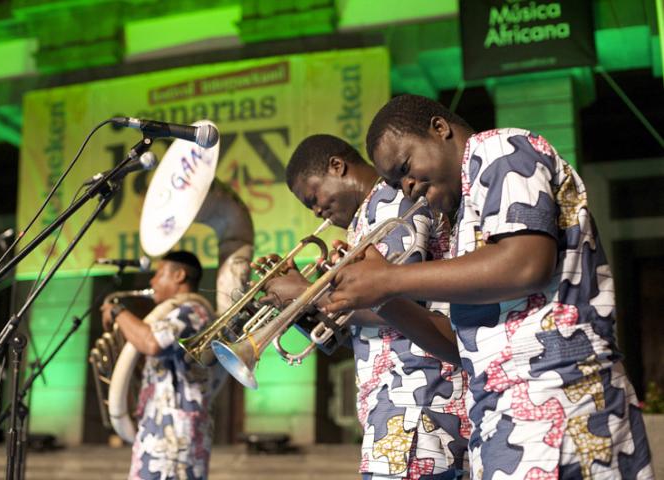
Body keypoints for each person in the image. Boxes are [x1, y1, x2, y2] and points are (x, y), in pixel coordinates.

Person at [324, 94, 654, 479]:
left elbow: (526, 262)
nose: (408, 187)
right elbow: (455, 346)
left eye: (406, 167)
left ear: (439, 128)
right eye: (398, 182)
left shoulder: (500, 148)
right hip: (503, 427)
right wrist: (383, 298)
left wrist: (391, 279)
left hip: (562, 404)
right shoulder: (465, 223)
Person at [262, 134, 470, 479]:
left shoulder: (389, 202)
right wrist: (300, 306)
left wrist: (306, 294)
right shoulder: (366, 222)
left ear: (337, 166)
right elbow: (366, 322)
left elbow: (400, 298)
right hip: (400, 408)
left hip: (417, 406)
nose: (316, 210)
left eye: (314, 197)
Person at [101, 250, 220, 480]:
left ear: (179, 276)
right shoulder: (178, 313)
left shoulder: (193, 311)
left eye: (159, 274)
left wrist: (117, 311)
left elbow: (152, 342)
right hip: (160, 433)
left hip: (175, 436)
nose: (152, 281)